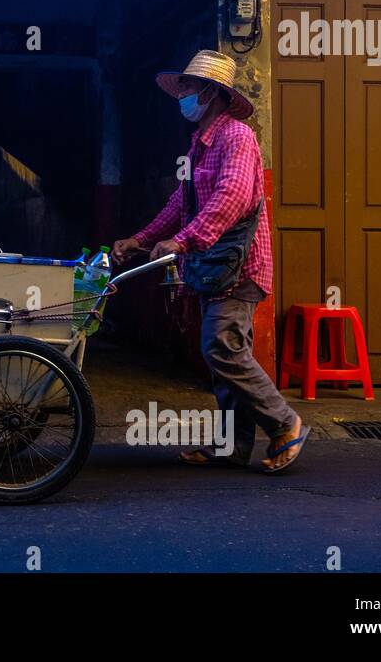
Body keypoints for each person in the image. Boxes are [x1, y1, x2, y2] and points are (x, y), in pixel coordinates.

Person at [113, 50, 310, 473]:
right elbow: (179, 205)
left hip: (240, 267)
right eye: (181, 86)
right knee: (225, 356)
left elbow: (234, 198)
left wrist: (183, 242)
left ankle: (285, 422)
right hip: (214, 266)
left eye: (187, 87)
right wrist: (141, 239)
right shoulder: (201, 145)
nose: (181, 94)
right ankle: (231, 446)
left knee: (220, 347)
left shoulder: (237, 137)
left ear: (211, 92)